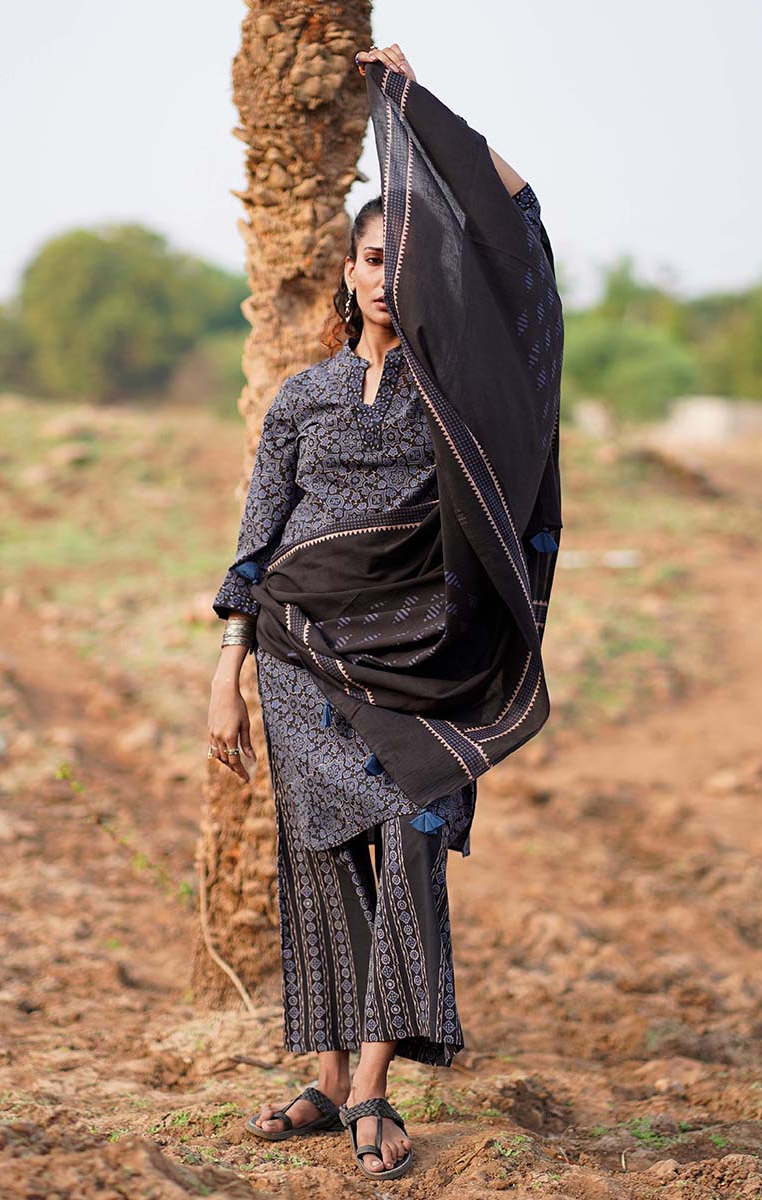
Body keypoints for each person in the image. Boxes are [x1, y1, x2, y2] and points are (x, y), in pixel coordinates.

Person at [206, 41, 556, 1181]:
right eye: (365, 255)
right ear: (347, 269)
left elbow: (515, 211)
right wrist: (231, 667)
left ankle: (373, 1085)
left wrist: (414, 98)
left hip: (423, 664)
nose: (377, 274)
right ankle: (325, 1079)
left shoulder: (458, 399)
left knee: (410, 844)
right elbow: (258, 541)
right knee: (320, 858)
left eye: (398, 256)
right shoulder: (303, 396)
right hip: (303, 657)